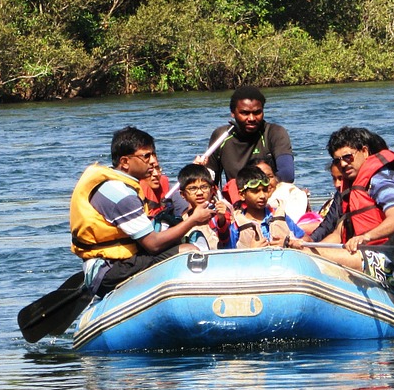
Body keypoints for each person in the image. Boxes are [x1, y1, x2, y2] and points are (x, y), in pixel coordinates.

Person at [70, 126, 214, 295]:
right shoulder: (121, 195)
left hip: (113, 261)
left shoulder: (116, 183)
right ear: (125, 162)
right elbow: (153, 245)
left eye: (153, 154)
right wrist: (194, 220)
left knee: (177, 239)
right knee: (188, 250)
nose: (153, 161)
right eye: (146, 156)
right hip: (106, 271)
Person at [289, 127, 394, 288]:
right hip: (367, 255)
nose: (342, 163)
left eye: (348, 157)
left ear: (364, 151)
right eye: (337, 160)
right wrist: (309, 246)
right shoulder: (352, 187)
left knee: (308, 255)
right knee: (304, 254)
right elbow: (337, 233)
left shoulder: (383, 180)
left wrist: (365, 237)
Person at [199, 85, 295, 184]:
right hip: (236, 196)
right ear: (233, 113)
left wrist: (257, 188)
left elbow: (287, 175)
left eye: (257, 112)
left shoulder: (274, 132)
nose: (252, 118)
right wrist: (199, 171)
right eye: (245, 113)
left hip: (270, 195)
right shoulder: (221, 136)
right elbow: (210, 181)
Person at [227, 164, 306, 248]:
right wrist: (250, 251)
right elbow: (227, 257)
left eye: (265, 190)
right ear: (242, 195)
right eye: (255, 191)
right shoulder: (236, 226)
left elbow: (306, 239)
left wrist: (290, 243)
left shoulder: (279, 215)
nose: (262, 196)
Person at [173, 163, 229, 252]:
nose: (199, 193)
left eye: (204, 187)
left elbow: (226, 240)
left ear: (212, 190)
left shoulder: (217, 214)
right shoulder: (182, 220)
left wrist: (222, 219)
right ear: (183, 194)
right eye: (192, 188)